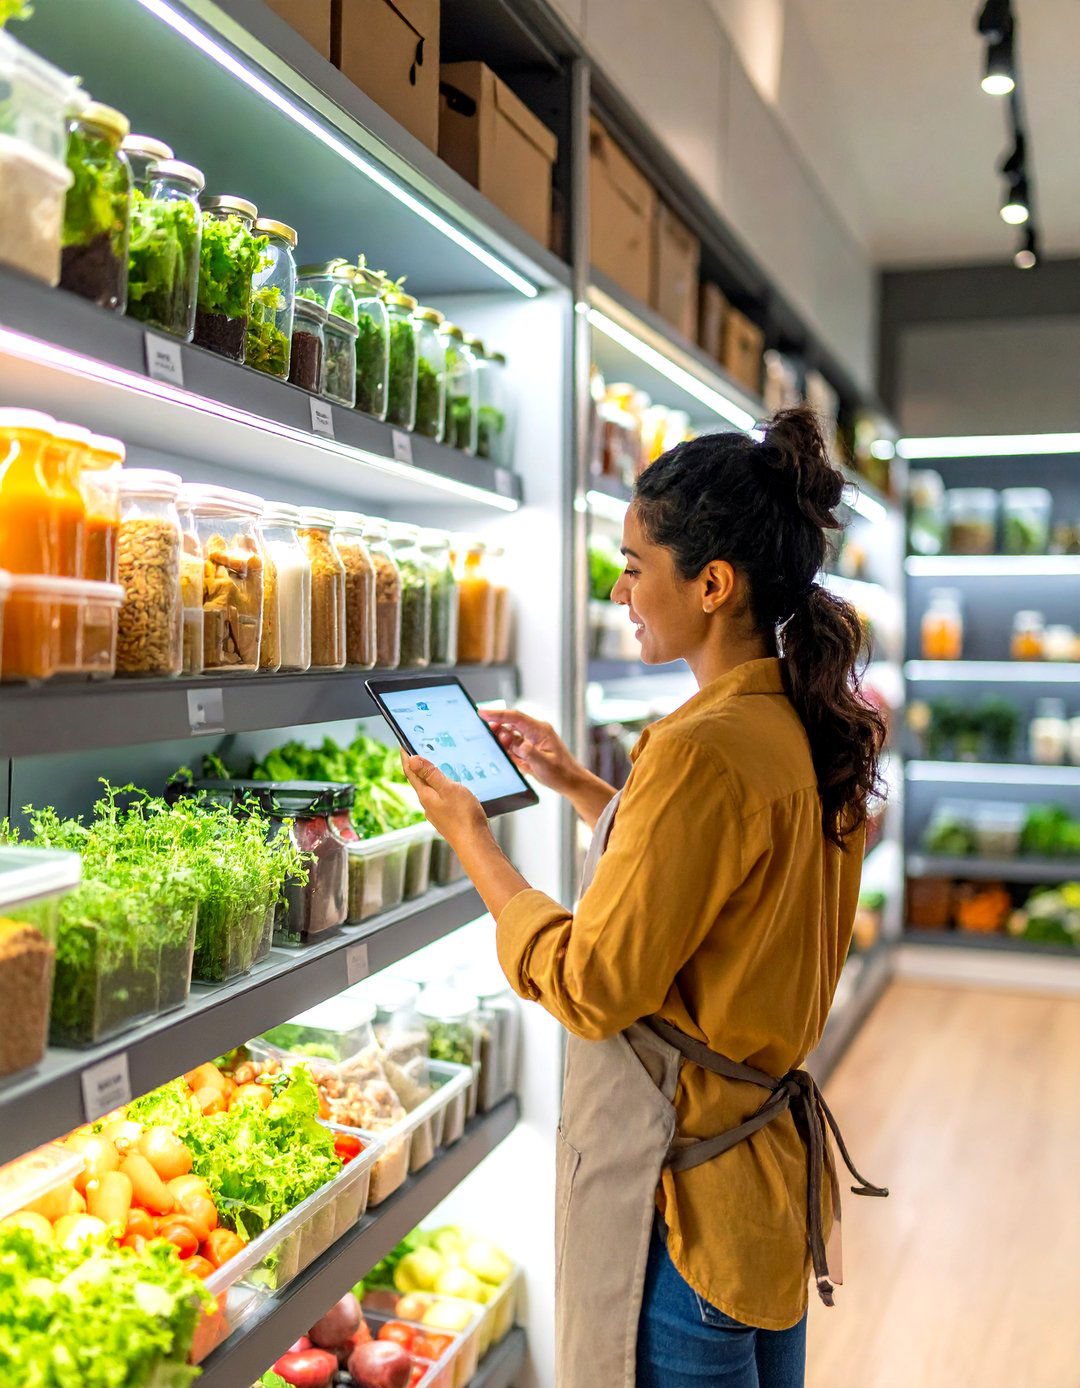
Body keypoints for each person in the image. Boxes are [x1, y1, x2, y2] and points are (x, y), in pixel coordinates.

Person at [400, 407, 888, 1388]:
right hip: (766, 1197)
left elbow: (593, 984)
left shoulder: (697, 750)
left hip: (686, 1219)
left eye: (633, 564)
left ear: (712, 584)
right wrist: (583, 784)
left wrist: (476, 844)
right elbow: (734, 877)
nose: (619, 589)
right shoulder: (800, 720)